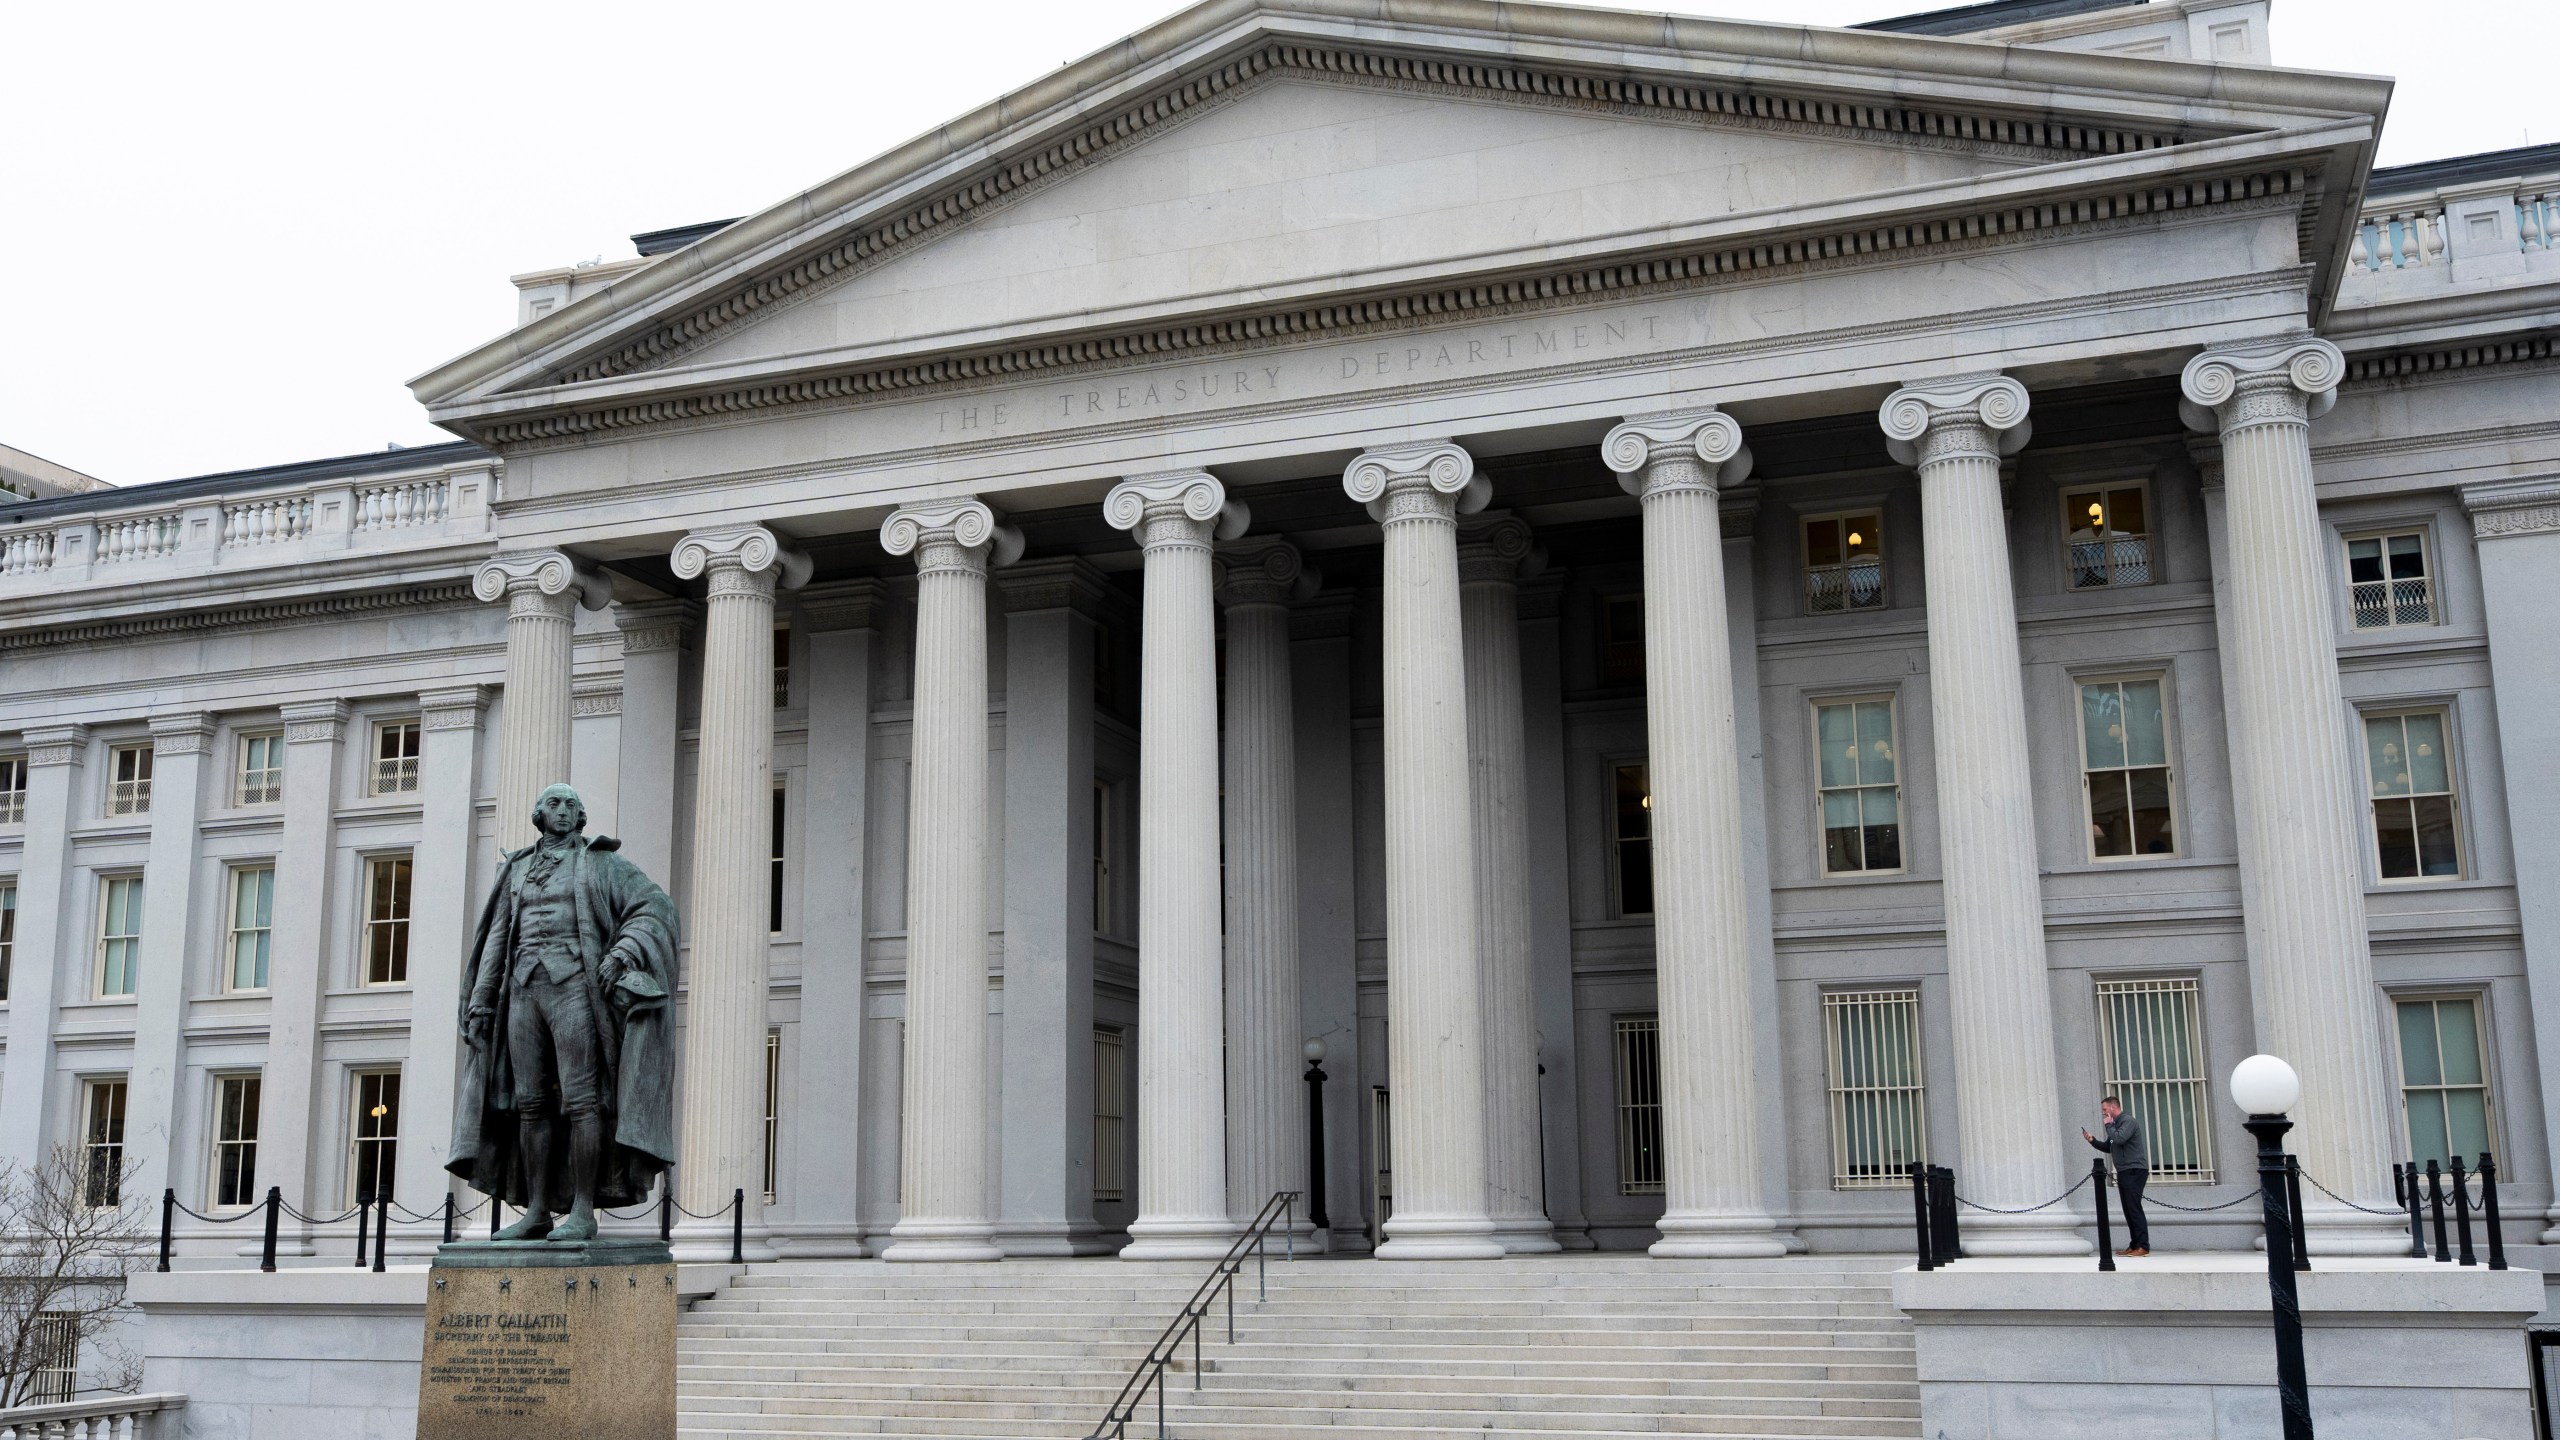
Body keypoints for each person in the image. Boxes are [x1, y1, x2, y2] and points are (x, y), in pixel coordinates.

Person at [450, 784, 678, 1243]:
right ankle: (536, 1210)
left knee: (581, 1101)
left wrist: (624, 951)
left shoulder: (600, 862)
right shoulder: (515, 869)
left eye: (572, 805)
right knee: (529, 1103)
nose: (564, 810)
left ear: (581, 818)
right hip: (522, 991)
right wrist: (481, 998)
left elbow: (655, 908)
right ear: (538, 813)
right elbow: (498, 938)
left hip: (575, 987)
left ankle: (581, 1209)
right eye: (554, 803)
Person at [2082, 1095, 2150, 1256]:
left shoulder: (2127, 1122)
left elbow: (2119, 1139)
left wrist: (2108, 1126)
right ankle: (2134, 1245)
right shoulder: (2116, 1125)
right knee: (2128, 1209)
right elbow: (2109, 1146)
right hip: (2124, 1171)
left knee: (2134, 1208)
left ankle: (2143, 1246)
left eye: (2105, 1110)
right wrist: (2092, 1140)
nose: (2104, 1113)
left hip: (2134, 1170)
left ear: (2113, 1107)